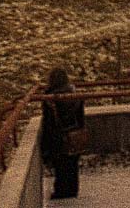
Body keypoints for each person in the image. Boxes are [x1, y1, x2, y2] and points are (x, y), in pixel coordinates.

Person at [40, 67, 85, 199]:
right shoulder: (75, 94)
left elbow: (49, 122)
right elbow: (80, 117)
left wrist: (45, 146)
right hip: (74, 134)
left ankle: (61, 191)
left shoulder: (50, 99)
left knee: (61, 166)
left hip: (58, 137)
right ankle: (72, 190)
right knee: (72, 164)